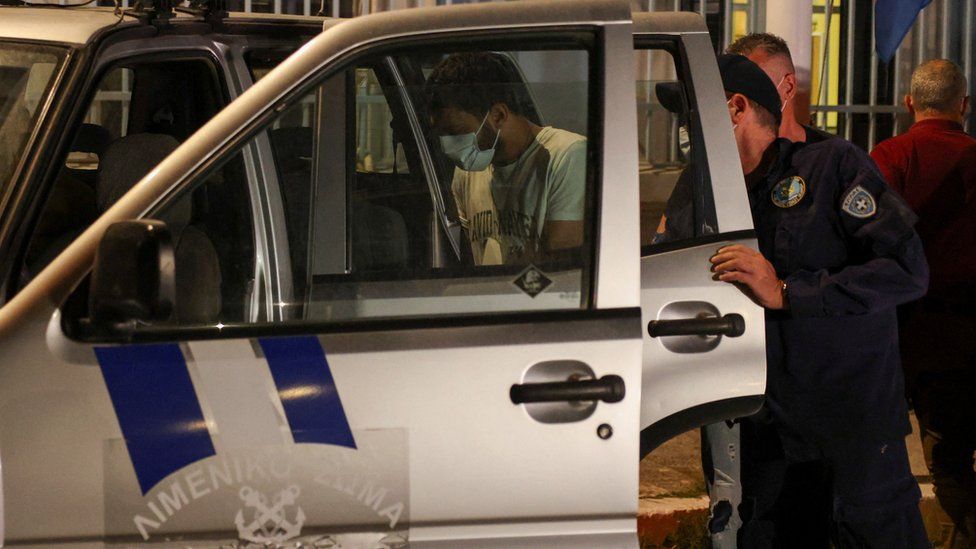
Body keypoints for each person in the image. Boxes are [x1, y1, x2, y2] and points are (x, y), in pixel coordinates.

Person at [712, 53, 930, 547]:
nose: (685, 126)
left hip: (849, 424)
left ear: (734, 107)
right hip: (768, 426)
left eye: (694, 111)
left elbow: (907, 270)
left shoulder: (833, 164)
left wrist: (789, 292)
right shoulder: (713, 189)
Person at [871, 58, 976, 548]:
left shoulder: (889, 157)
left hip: (909, 336)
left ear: (910, 103)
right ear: (965, 106)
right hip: (967, 333)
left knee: (938, 459)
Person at [424, 52, 587, 266]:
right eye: (443, 134)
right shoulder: (468, 171)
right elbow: (469, 258)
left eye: (457, 132)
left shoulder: (566, 156)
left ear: (499, 115)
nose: (449, 145)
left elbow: (562, 267)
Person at [727, 32, 833, 144]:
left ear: (789, 87)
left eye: (754, 81)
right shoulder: (722, 153)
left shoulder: (834, 156)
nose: (740, 97)